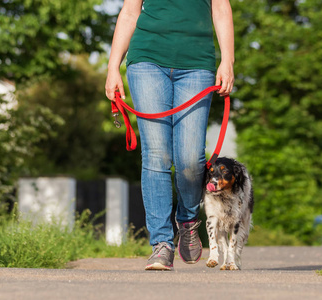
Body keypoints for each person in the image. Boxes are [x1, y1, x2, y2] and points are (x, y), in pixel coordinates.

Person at [105, 0, 234, 270]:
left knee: (190, 158)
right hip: (147, 60)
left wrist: (228, 61)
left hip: (197, 64)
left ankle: (187, 219)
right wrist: (112, 66)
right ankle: (161, 243)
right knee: (156, 153)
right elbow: (130, 11)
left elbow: (221, 9)